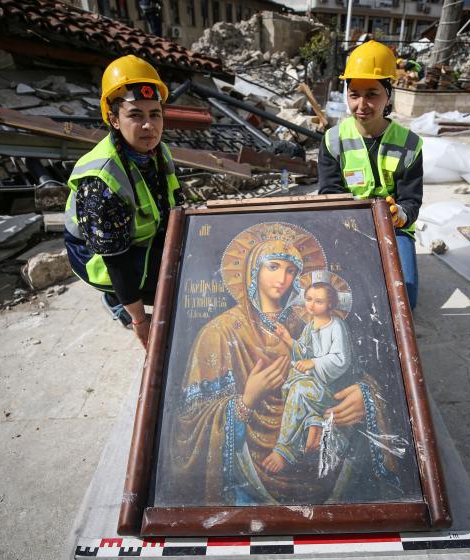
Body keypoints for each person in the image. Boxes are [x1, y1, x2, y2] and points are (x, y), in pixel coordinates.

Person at [164, 223, 404, 506]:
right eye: (273, 266)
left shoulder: (312, 322)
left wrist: (364, 397)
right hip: (251, 477)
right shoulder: (220, 333)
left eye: (291, 271)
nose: (283, 278)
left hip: (324, 464)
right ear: (253, 270)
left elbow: (352, 373)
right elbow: (188, 425)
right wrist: (245, 401)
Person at [63, 55, 182, 348]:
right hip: (100, 257)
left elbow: (175, 203)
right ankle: (116, 299)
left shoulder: (159, 152)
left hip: (138, 238)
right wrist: (141, 322)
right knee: (175, 285)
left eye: (155, 114)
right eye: (135, 115)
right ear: (114, 119)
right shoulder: (102, 179)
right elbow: (115, 259)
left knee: (190, 265)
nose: (148, 126)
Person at [318, 40, 424, 308]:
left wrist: (400, 215)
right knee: (339, 297)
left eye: (372, 94)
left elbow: (412, 199)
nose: (362, 104)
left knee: (404, 301)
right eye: (354, 94)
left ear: (388, 95)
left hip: (394, 228)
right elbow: (329, 193)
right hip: (349, 225)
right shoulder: (333, 140)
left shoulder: (410, 144)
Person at [264, 275, 354, 474]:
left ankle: (284, 449)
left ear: (330, 303)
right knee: (287, 376)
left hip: (330, 388)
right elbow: (304, 352)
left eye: (319, 301)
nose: (311, 305)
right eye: (309, 299)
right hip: (315, 381)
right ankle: (311, 423)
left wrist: (313, 362)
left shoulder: (336, 326)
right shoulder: (309, 326)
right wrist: (288, 339)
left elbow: (341, 360)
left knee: (298, 389)